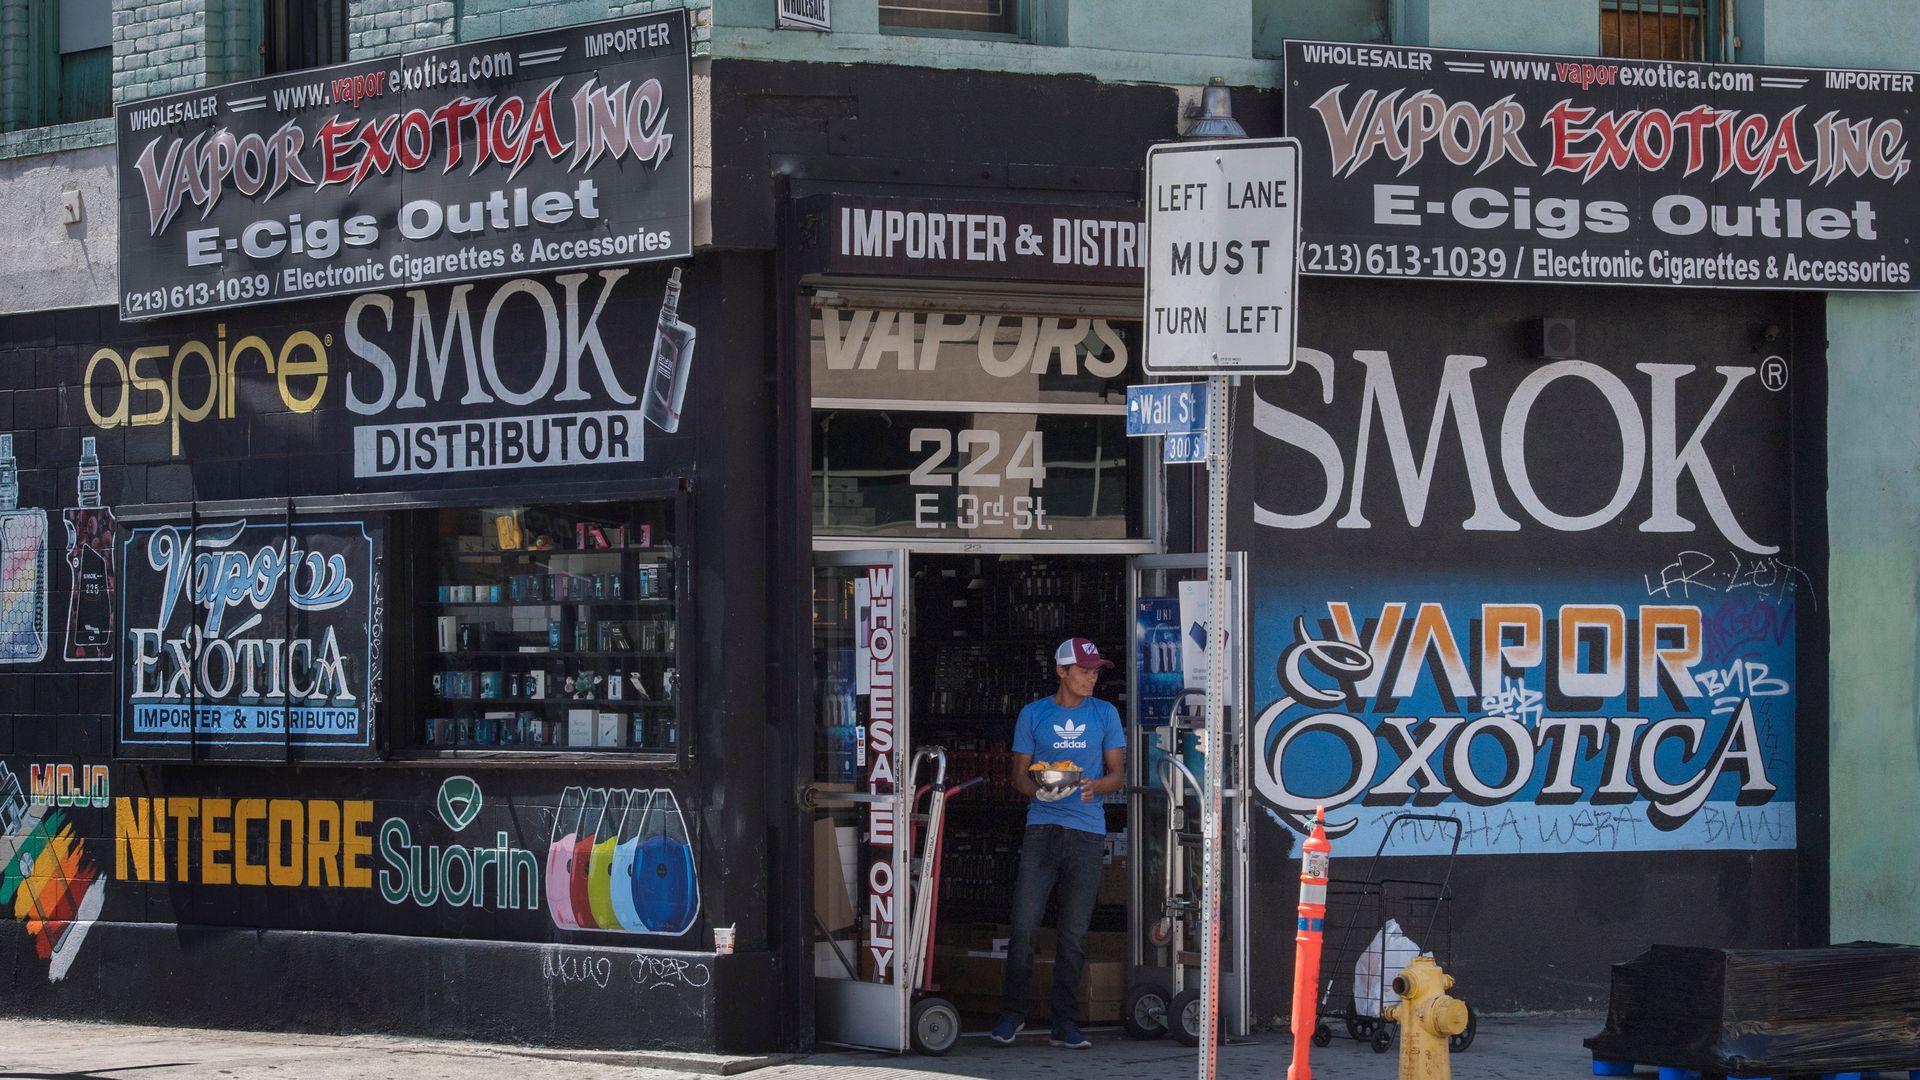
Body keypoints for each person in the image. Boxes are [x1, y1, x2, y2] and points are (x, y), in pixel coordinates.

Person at [991, 637, 1126, 1050]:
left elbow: (1117, 775)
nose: (1091, 677)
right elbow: (1018, 777)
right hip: (1042, 827)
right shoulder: (1034, 714)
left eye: (1095, 671)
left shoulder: (1105, 713)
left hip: (1087, 831)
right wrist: (1039, 791)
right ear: (1061, 671)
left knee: (1074, 932)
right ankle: (1012, 1015)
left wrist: (1094, 786)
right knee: (1024, 925)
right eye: (1083, 670)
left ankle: (1064, 1022)